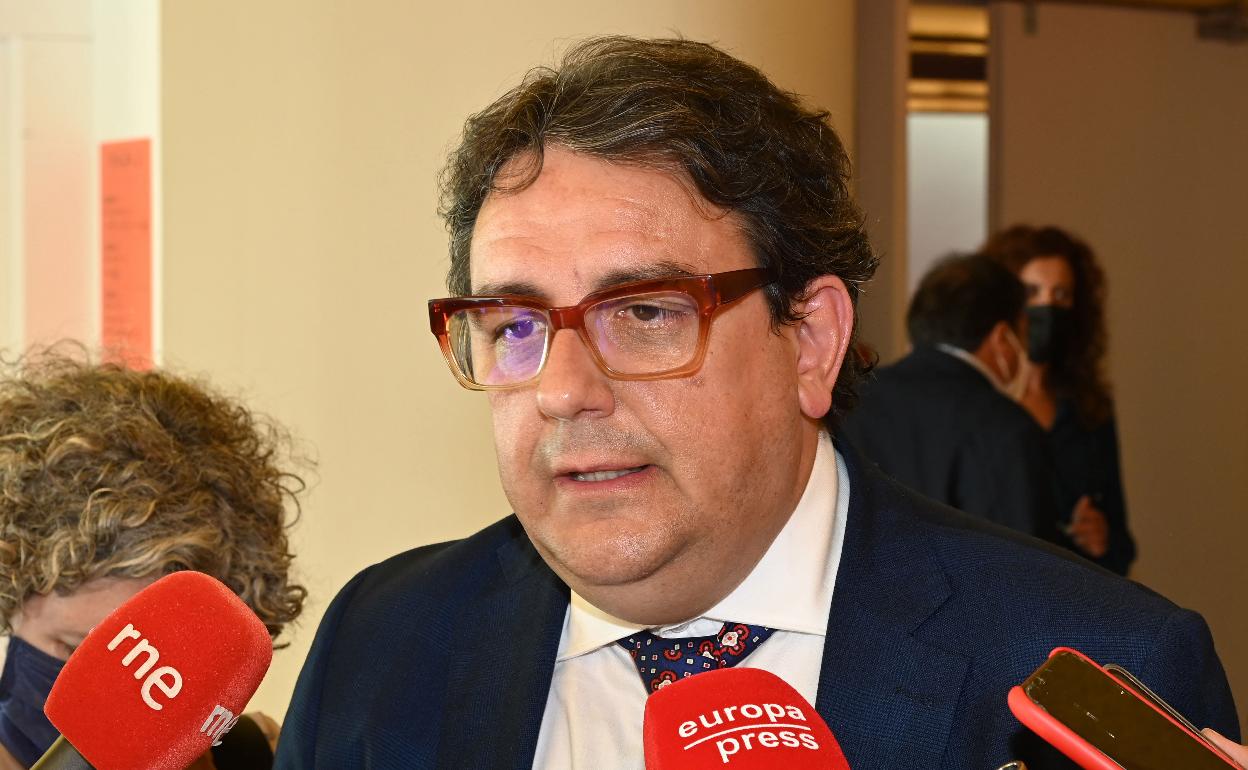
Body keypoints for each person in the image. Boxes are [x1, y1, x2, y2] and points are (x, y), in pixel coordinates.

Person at [274, 37, 1238, 769]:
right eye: (514, 325)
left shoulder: (1095, 668)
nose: (563, 391)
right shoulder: (382, 642)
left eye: (644, 313)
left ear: (810, 340)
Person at [0, 353, 306, 770]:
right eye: (75, 649)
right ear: (14, 594)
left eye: (153, 672)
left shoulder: (258, 755)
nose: (119, 691)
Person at [841, 253, 1062, 542]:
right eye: (1023, 332)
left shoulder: (850, 399)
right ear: (1002, 337)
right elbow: (1026, 556)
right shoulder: (1006, 427)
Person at [982, 225, 1136, 575]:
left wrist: (1102, 538)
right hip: (997, 589)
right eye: (1032, 292)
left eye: (1061, 294)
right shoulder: (979, 400)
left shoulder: (1089, 406)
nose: (1046, 307)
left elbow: (1122, 542)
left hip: (1075, 590)